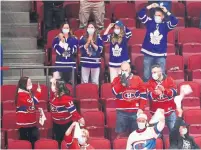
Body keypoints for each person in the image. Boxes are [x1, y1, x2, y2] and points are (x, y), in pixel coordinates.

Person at [138, 3, 178, 82]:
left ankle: (160, 92)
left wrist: (166, 11)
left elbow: (175, 21)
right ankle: (147, 92)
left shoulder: (165, 26)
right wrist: (149, 7)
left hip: (160, 55)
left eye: (159, 15)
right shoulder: (149, 22)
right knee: (146, 76)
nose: (157, 17)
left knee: (161, 77)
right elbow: (140, 14)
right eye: (156, 15)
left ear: (163, 17)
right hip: (148, 53)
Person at [112, 61, 147, 137]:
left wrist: (141, 108)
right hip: (121, 112)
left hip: (135, 112)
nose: (124, 72)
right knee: (120, 135)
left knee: (136, 135)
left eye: (126, 70)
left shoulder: (138, 79)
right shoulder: (116, 79)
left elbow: (143, 95)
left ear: (130, 69)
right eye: (122, 70)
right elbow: (114, 92)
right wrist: (121, 84)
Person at [50, 79, 85, 145]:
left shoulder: (66, 98)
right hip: (56, 123)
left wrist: (80, 118)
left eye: (54, 85)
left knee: (67, 142)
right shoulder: (53, 95)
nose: (52, 86)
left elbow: (73, 111)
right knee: (58, 141)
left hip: (65, 124)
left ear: (58, 88)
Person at [147, 64, 177, 131]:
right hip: (156, 113)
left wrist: (164, 90)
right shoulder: (149, 82)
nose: (153, 74)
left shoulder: (169, 80)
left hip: (170, 112)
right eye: (152, 72)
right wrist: (156, 93)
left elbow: (174, 92)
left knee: (174, 133)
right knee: (157, 135)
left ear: (160, 72)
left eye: (155, 72)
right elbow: (149, 96)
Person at [15, 77, 41, 147]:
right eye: (29, 83)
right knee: (25, 143)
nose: (31, 84)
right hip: (24, 124)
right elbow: (32, 102)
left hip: (31, 122)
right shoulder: (21, 94)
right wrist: (38, 92)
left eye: (31, 82)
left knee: (34, 140)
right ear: (24, 84)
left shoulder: (27, 92)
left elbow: (31, 105)